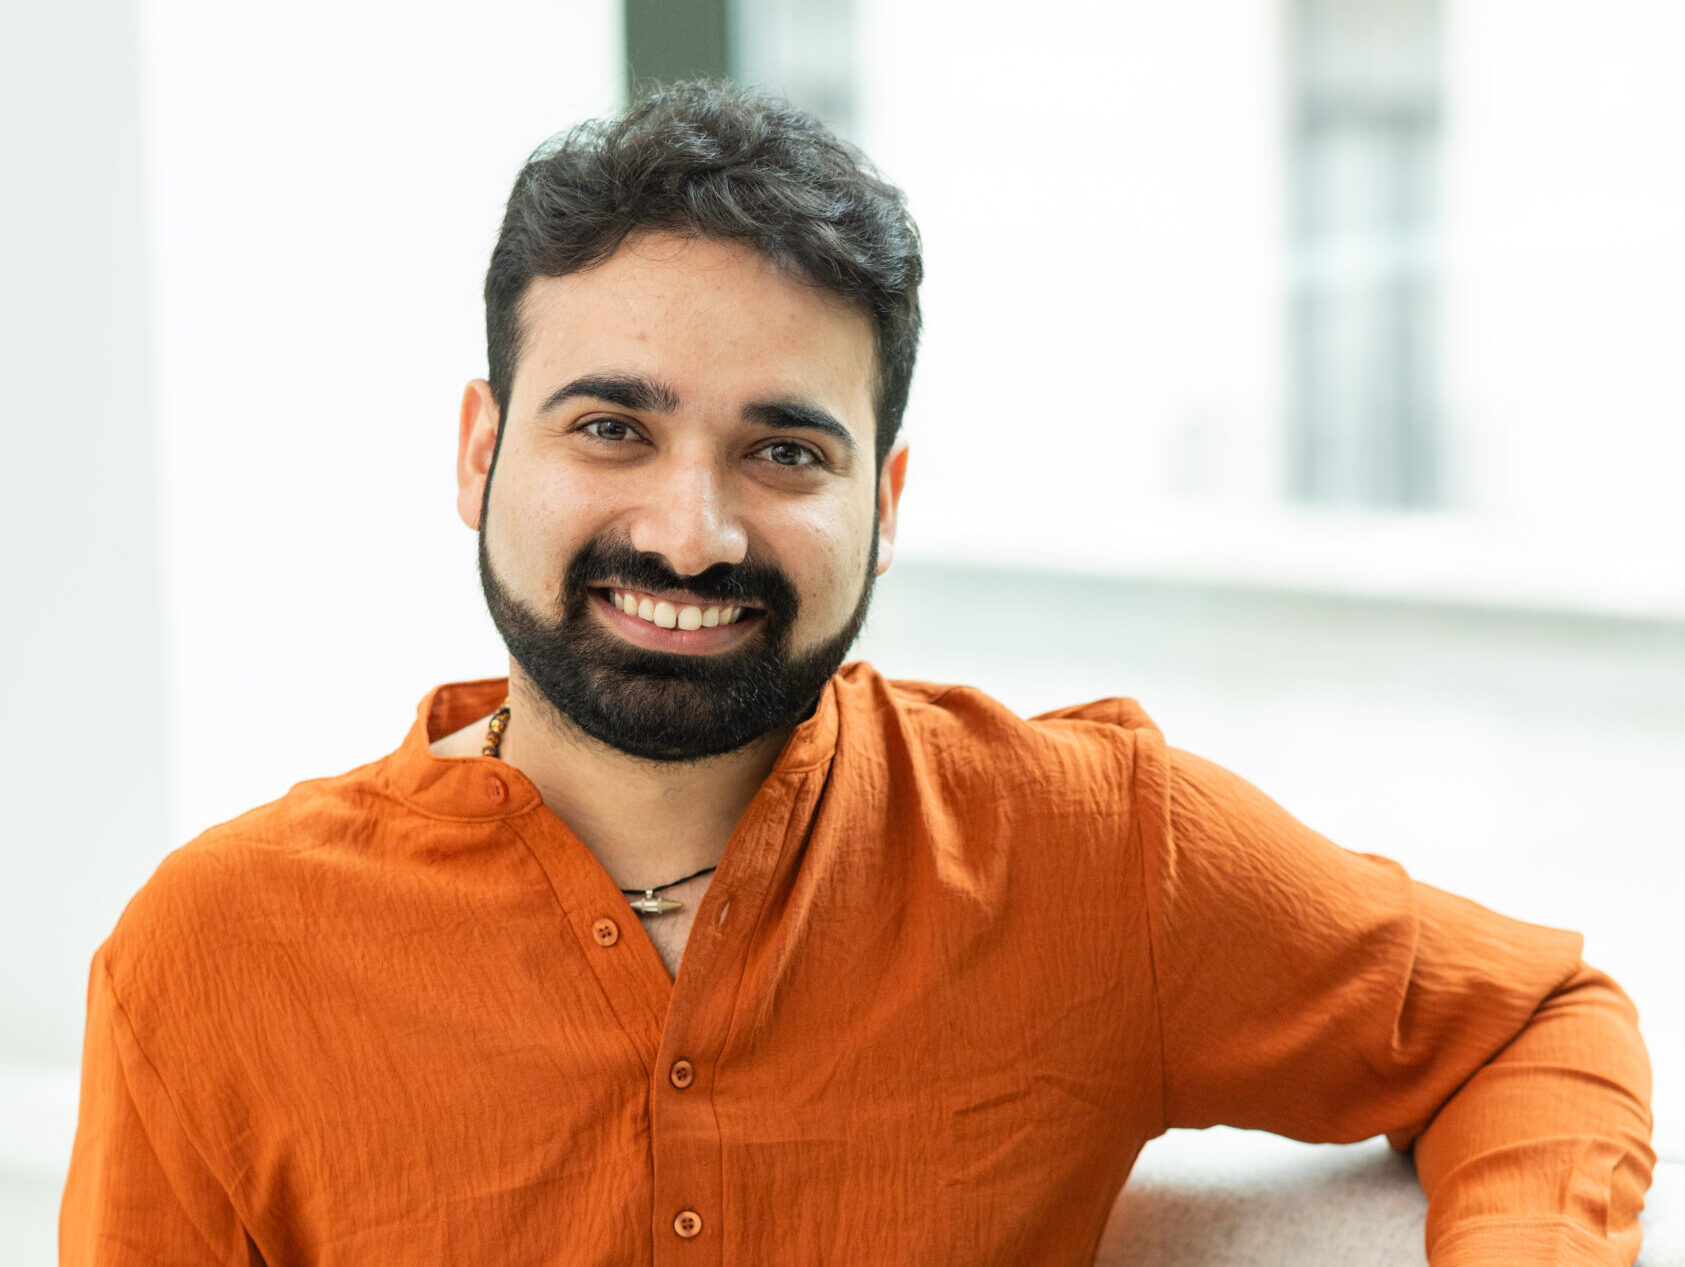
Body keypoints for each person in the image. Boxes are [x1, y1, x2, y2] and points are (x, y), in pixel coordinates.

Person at [60, 81, 1653, 1266]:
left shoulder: (1093, 850)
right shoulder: (215, 962)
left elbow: (1534, 1022)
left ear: (882, 506)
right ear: (481, 452)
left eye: (783, 452)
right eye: (610, 427)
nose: (688, 532)